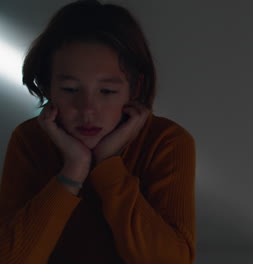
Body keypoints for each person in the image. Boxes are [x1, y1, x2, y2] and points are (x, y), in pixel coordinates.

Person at [0, 1, 196, 263]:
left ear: (135, 88)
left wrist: (108, 166)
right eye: (70, 89)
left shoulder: (166, 142)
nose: (88, 110)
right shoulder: (29, 140)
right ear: (48, 87)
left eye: (107, 92)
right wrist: (73, 170)